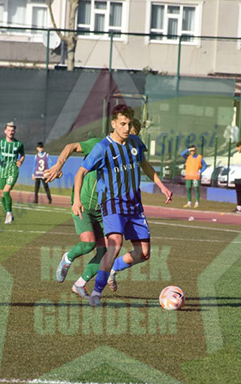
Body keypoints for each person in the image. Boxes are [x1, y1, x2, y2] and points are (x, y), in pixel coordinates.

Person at [72, 105, 172, 306]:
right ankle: (96, 293)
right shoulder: (103, 147)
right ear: (114, 124)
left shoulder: (135, 142)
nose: (126, 128)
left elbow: (144, 164)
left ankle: (113, 269)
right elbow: (81, 172)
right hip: (112, 202)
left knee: (144, 253)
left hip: (134, 204)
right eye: (122, 124)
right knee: (115, 244)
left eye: (129, 124)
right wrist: (76, 200)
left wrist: (161, 186)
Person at [47, 119, 144, 299]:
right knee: (88, 243)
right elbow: (70, 146)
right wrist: (58, 166)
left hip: (105, 210)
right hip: (83, 204)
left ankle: (80, 284)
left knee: (106, 251)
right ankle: (68, 257)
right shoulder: (99, 145)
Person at [0, 121, 25, 225]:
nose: (10, 132)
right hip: (2, 171)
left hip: (13, 170)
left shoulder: (18, 144)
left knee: (6, 192)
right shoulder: (0, 143)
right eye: (8, 130)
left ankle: (9, 213)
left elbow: (23, 155)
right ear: (5, 131)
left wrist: (20, 161)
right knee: (1, 194)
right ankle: (8, 213)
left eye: (12, 130)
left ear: (15, 132)